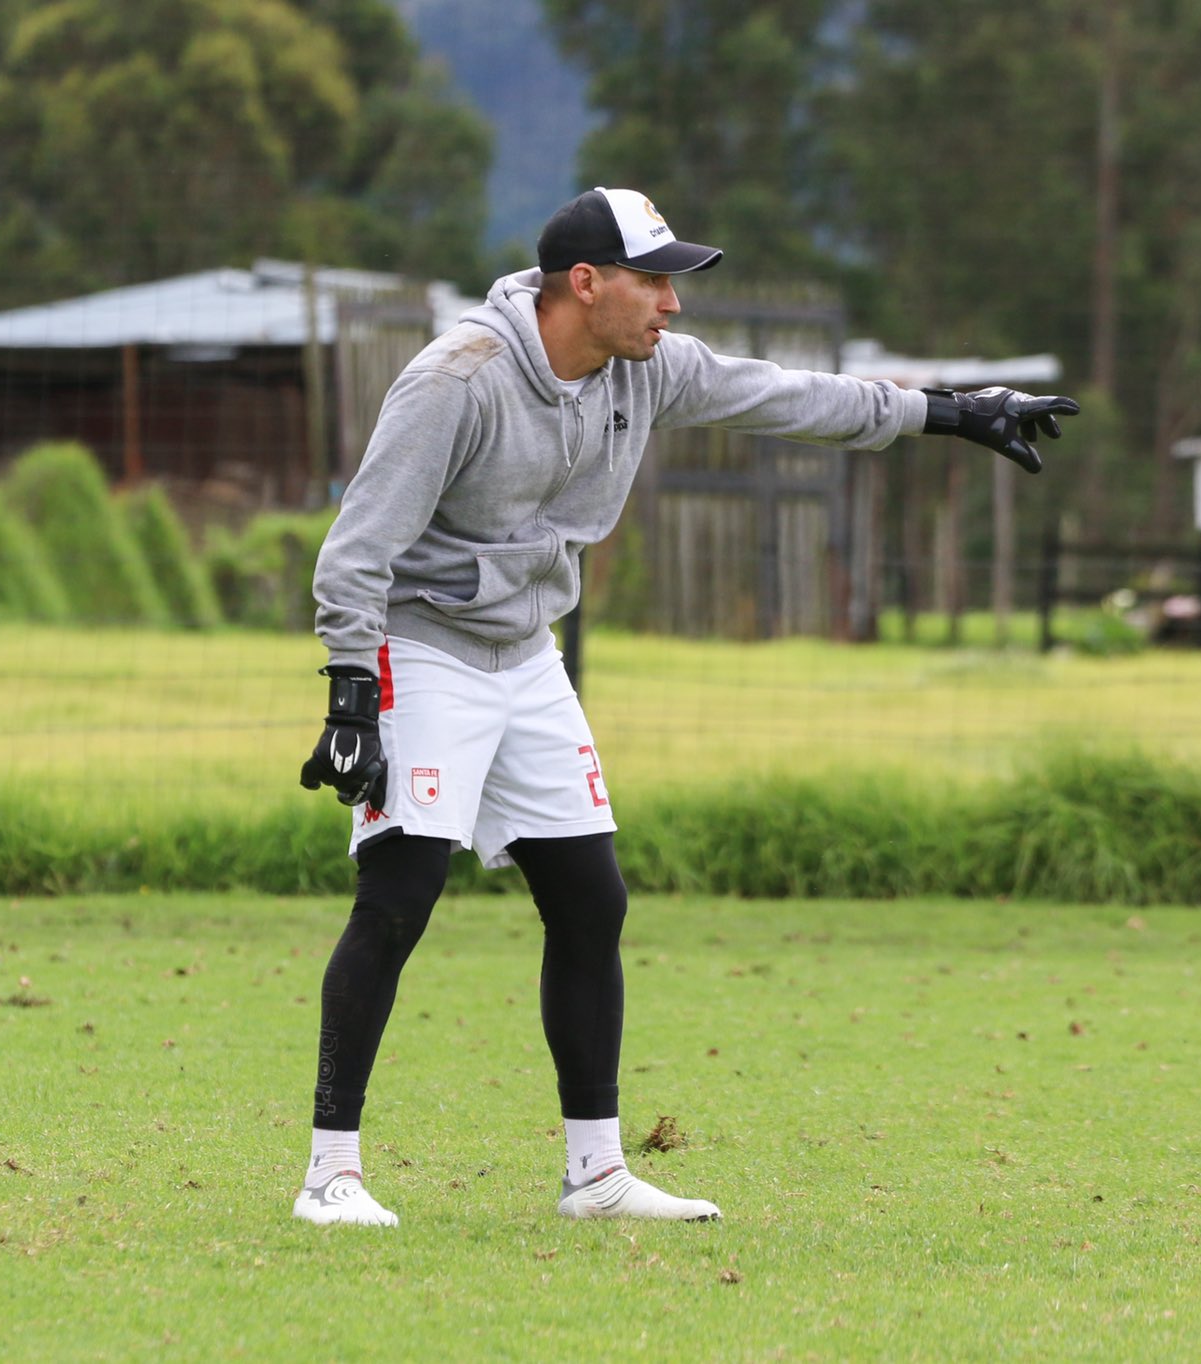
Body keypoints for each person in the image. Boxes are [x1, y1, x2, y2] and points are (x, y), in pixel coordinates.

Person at [293, 187, 1078, 1227]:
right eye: (653, 278)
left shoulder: (646, 370)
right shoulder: (457, 379)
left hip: (525, 655)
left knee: (590, 900)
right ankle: (329, 1174)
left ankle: (595, 1174)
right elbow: (358, 546)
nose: (670, 302)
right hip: (422, 642)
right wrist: (353, 688)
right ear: (585, 283)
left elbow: (792, 395)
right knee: (398, 897)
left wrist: (949, 411)